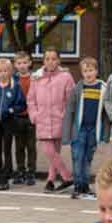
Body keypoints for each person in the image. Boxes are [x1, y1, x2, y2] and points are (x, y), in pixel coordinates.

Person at [62, 55, 108, 198]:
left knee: (88, 158)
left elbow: (106, 114)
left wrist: (105, 134)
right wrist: (66, 135)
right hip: (79, 130)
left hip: (94, 129)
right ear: (82, 73)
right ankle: (77, 185)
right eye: (85, 71)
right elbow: (70, 111)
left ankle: (85, 185)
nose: (88, 73)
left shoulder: (103, 88)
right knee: (77, 156)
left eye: (91, 70)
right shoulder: (77, 89)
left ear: (96, 71)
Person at [29, 48, 75, 191]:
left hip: (59, 119)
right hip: (42, 119)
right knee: (49, 151)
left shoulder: (66, 77)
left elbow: (71, 100)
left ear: (59, 60)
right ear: (43, 60)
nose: (50, 62)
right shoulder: (36, 77)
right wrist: (34, 115)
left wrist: (66, 116)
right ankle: (67, 177)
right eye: (47, 58)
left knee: (55, 152)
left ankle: (50, 181)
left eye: (54, 59)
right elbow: (30, 99)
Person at [0, 57, 27, 190]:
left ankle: (5, 177)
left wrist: (11, 110)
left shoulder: (15, 86)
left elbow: (22, 104)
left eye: (5, 71)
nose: (3, 73)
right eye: (0, 71)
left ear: (10, 71)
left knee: (6, 149)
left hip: (9, 121)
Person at [12, 52, 38, 185]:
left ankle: (31, 172)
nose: (22, 66)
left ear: (29, 63)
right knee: (19, 146)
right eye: (19, 63)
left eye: (24, 63)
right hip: (17, 117)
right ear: (15, 65)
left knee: (31, 146)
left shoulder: (35, 78)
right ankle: (20, 170)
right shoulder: (13, 79)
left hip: (31, 117)